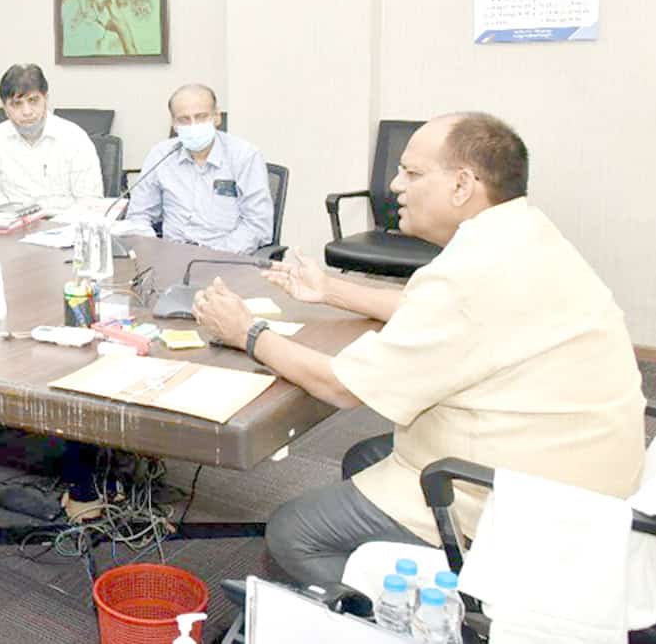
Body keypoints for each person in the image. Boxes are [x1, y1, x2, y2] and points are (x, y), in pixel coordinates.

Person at [191, 112, 646, 584]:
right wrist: (328, 289)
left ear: (461, 185)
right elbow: (426, 308)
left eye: (411, 173)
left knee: (293, 532)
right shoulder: (523, 233)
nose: (395, 185)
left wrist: (248, 332)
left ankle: (428, 609)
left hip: (533, 508)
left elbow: (342, 387)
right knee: (364, 458)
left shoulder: (471, 274)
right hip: (583, 475)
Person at [126, 84, 273, 254]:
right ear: (174, 124)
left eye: (201, 117)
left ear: (216, 117)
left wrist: (214, 256)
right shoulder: (161, 155)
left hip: (227, 257)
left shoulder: (244, 155)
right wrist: (150, 249)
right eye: (184, 120)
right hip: (172, 256)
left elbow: (257, 224)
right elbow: (139, 214)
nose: (193, 125)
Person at [0, 64, 103, 210]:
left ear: (46, 99)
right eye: (17, 104)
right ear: (4, 108)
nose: (27, 112)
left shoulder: (74, 138)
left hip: (65, 221)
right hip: (13, 221)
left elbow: (89, 201)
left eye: (33, 101)